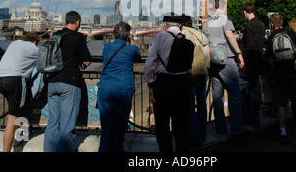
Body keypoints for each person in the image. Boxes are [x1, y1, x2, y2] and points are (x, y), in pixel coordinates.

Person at [43, 11, 91, 152]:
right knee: (67, 125)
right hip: (70, 82)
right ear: (77, 22)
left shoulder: (55, 36)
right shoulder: (78, 37)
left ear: (66, 21)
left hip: (52, 82)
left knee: (52, 123)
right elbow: (86, 60)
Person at [144, 13, 192, 152]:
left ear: (165, 24)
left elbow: (149, 64)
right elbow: (189, 65)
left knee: (162, 124)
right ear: (180, 25)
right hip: (183, 83)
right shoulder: (186, 38)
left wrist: (150, 83)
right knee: (181, 124)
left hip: (163, 84)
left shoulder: (160, 37)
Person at [265, 14, 296, 149]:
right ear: (282, 22)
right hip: (294, 73)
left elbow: (269, 59)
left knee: (281, 105)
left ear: (272, 25)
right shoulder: (291, 34)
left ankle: (283, 134)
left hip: (279, 75)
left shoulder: (271, 38)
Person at [96, 22, 141, 152]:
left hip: (105, 89)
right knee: (120, 126)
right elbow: (137, 55)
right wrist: (131, 40)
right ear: (127, 35)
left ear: (114, 34)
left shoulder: (107, 47)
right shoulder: (131, 49)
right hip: (123, 88)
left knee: (106, 126)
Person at [203, 0, 244, 136]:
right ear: (223, 7)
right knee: (234, 95)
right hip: (227, 60)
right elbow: (229, 35)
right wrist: (239, 53)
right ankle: (236, 128)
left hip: (213, 62)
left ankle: (220, 127)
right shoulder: (225, 19)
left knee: (217, 96)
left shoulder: (207, 23)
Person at [0, 32, 40, 152]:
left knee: (17, 108)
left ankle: (22, 136)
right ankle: (7, 149)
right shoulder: (34, 48)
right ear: (35, 42)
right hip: (15, 79)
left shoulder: (14, 44)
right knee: (12, 117)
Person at [181, 15, 210, 146]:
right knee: (202, 104)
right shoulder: (200, 34)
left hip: (191, 74)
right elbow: (206, 54)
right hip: (202, 73)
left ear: (181, 24)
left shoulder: (184, 34)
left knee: (189, 106)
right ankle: (203, 134)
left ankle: (195, 135)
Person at [239, 2, 265, 130]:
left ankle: (244, 120)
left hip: (248, 65)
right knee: (255, 94)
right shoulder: (261, 24)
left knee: (239, 92)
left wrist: (240, 55)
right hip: (258, 63)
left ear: (245, 11)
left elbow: (249, 46)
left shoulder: (249, 26)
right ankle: (255, 121)